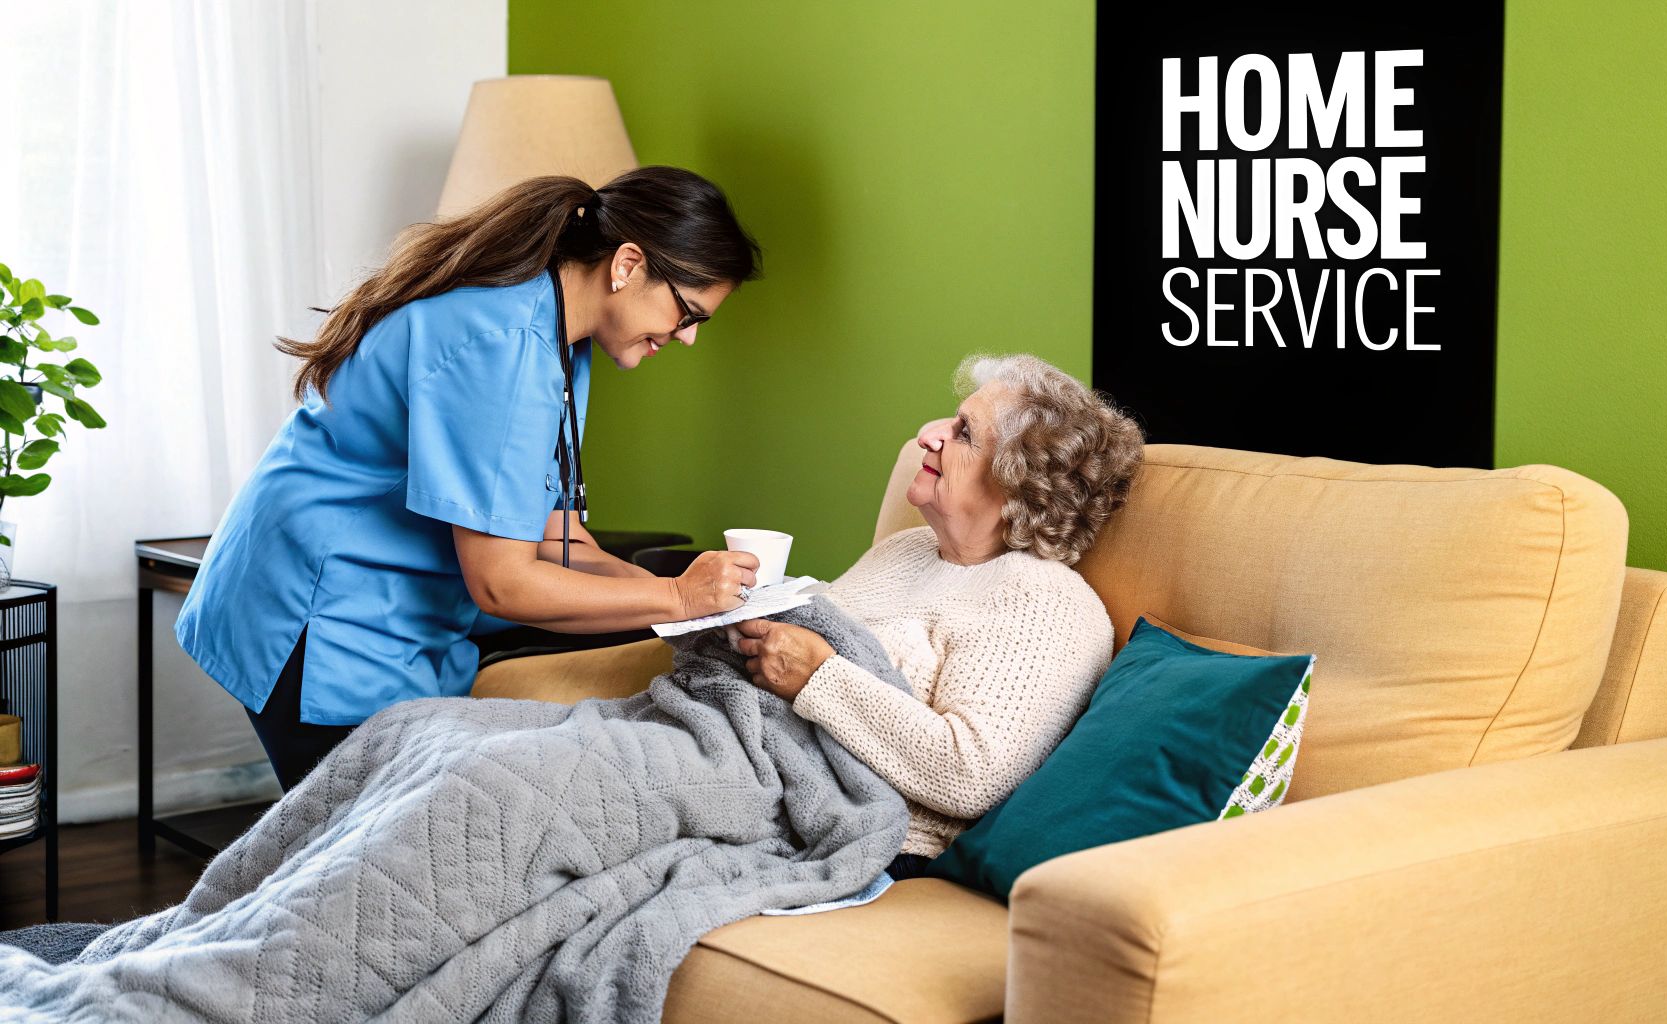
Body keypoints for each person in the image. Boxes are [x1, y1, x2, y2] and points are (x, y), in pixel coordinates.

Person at [175, 166, 767, 792]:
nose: (691, 337)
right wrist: (676, 599)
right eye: (687, 311)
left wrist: (688, 608)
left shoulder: (559, 336)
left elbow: (558, 537)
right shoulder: (502, 345)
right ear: (626, 265)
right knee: (359, 868)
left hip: (382, 605)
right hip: (316, 609)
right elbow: (503, 585)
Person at [732, 353, 1146, 880]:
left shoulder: (1049, 603)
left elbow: (972, 772)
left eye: (963, 432)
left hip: (863, 836)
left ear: (1019, 482)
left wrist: (819, 677)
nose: (928, 435)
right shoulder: (905, 549)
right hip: (752, 766)